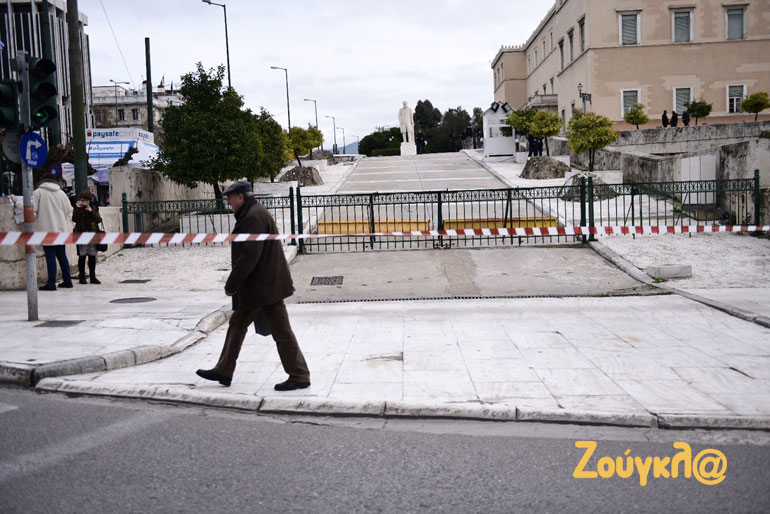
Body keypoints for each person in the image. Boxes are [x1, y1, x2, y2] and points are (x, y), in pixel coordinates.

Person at [196, 181, 310, 390]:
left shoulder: (253, 217)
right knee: (238, 325)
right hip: (261, 286)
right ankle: (224, 369)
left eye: (230, 198)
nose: (228, 202)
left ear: (241, 197)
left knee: (281, 332)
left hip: (264, 287)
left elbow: (250, 255)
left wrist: (232, 283)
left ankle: (299, 375)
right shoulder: (252, 213)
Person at [12, 173, 73, 290]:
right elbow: (69, 210)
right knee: (62, 255)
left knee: (50, 256)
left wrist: (16, 202)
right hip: (62, 230)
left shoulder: (39, 192)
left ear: (42, 181)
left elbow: (31, 208)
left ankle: (51, 283)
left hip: (47, 230)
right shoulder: (61, 193)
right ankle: (67, 280)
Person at [72, 190, 102, 285]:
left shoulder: (94, 207)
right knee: (82, 256)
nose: (84, 202)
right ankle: (82, 276)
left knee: (92, 256)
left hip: (93, 234)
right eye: (82, 200)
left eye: (86, 200)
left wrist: (91, 211)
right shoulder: (78, 208)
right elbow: (74, 219)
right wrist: (77, 208)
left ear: (90, 200)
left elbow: (99, 220)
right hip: (81, 234)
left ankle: (93, 276)